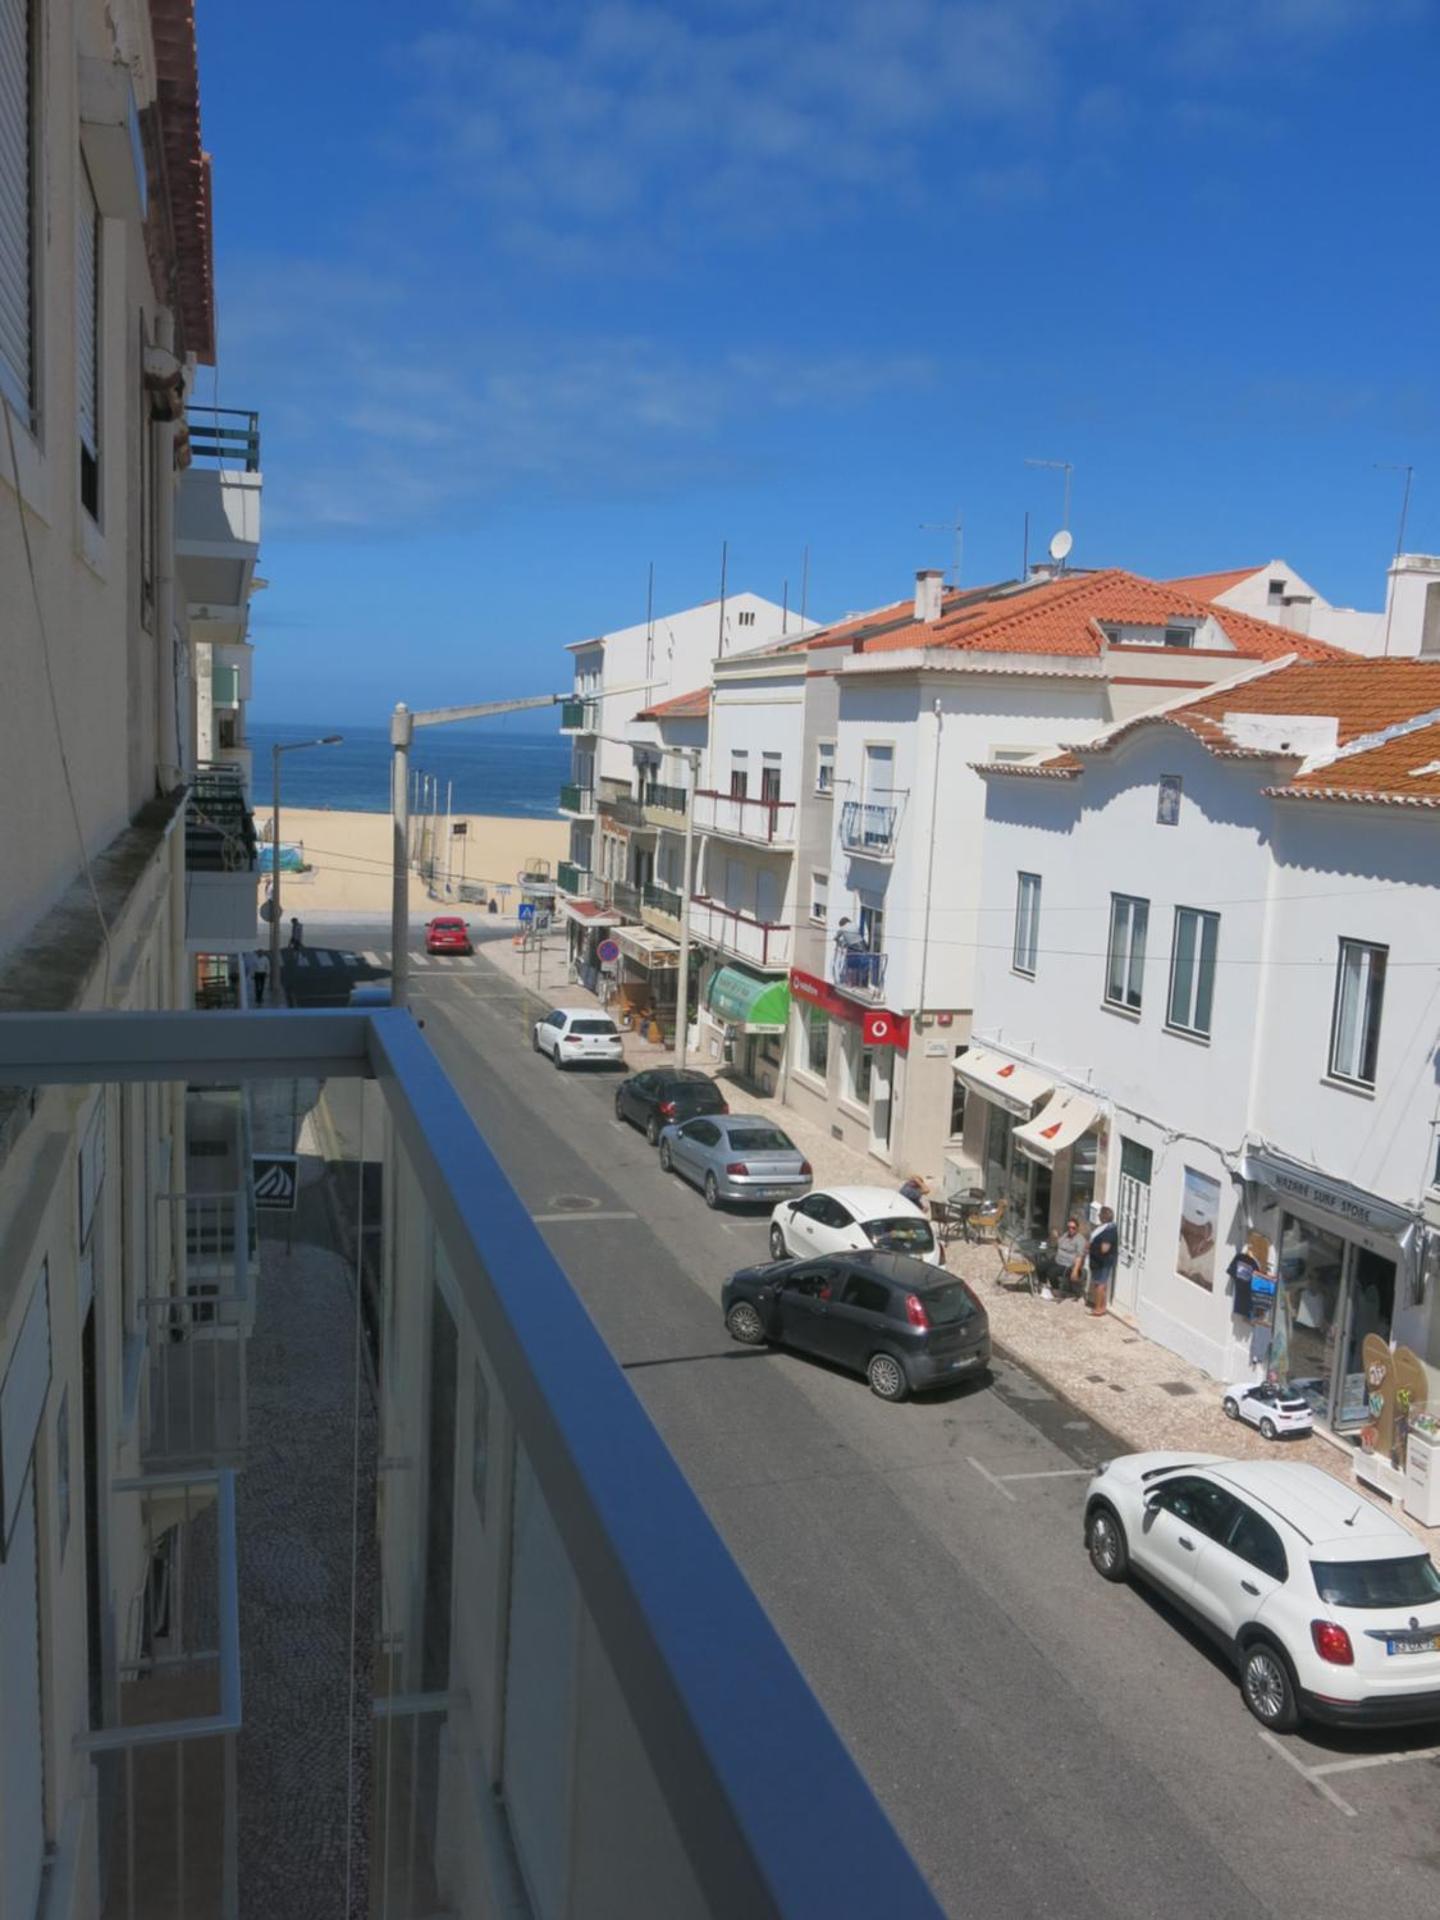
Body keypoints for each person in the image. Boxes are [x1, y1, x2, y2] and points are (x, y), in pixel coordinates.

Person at [1088, 1206, 1118, 1316]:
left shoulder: (1109, 1231)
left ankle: (1098, 1308)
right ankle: (1102, 1306)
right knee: (1098, 1284)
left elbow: (1105, 1248)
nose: (1099, 1216)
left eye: (1100, 1214)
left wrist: (1092, 1248)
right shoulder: (1103, 1228)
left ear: (1104, 1216)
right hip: (1097, 1261)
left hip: (1103, 1262)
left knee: (1100, 1285)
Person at [1053, 1216, 1089, 1300]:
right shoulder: (1066, 1235)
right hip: (1058, 1259)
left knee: (1052, 1273)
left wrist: (1075, 1270)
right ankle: (1044, 1287)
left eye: (1073, 1228)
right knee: (1041, 1266)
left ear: (1077, 1228)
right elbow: (1059, 1243)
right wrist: (1056, 1237)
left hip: (1068, 1264)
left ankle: (1057, 1291)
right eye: (1069, 1227)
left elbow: (1080, 1256)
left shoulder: (1080, 1239)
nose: (1071, 1229)